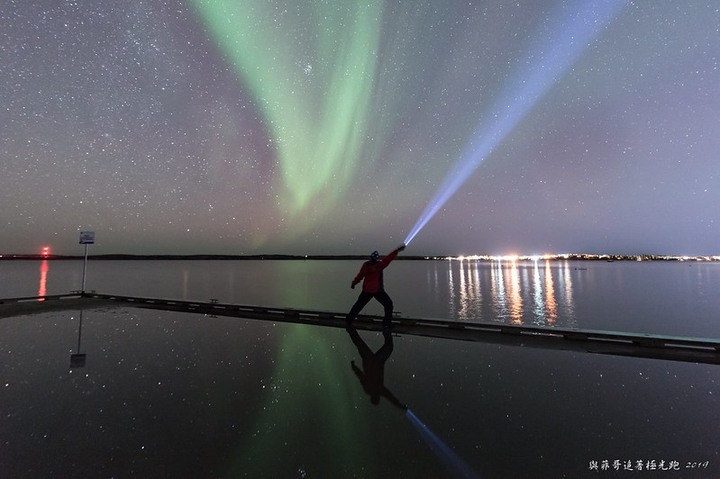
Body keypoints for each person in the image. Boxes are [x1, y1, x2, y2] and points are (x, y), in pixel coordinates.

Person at [347, 325, 407, 410]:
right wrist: (354, 368)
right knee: (361, 344)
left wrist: (399, 405)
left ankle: (386, 330)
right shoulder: (372, 390)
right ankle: (351, 330)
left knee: (388, 346)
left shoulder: (376, 390)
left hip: (373, 362)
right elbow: (361, 376)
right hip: (373, 362)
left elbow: (389, 396)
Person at [346, 244, 405, 329]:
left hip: (366, 290)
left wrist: (354, 283)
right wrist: (397, 250)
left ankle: (348, 320)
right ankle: (386, 324)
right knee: (388, 304)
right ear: (377, 258)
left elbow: (360, 275)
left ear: (370, 258)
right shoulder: (379, 265)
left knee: (358, 306)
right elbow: (388, 258)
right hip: (377, 291)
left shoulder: (366, 265)